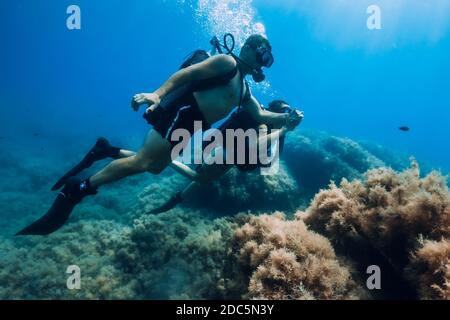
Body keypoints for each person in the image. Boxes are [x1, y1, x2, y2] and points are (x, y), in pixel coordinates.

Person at [16, 34, 303, 236]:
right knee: (144, 162)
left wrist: (287, 120)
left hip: (191, 127)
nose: (263, 64)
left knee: (153, 167)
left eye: (268, 60)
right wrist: (157, 93)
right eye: (262, 55)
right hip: (182, 117)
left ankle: (105, 151)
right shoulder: (226, 63)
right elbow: (187, 75)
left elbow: (262, 115)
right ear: (249, 48)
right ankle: (78, 189)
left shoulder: (244, 90)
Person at [149, 100, 303, 214]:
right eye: (285, 111)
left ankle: (177, 197)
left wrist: (282, 132)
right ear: (275, 113)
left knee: (203, 179)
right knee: (201, 178)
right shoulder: (263, 123)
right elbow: (255, 145)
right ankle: (165, 160)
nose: (287, 115)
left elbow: (268, 158)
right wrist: (283, 130)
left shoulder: (275, 129)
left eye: (289, 112)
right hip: (224, 150)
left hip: (232, 154)